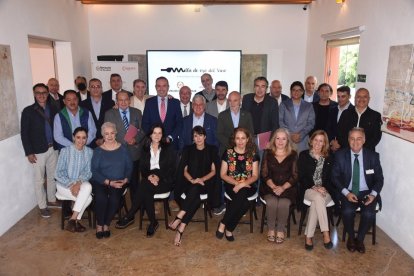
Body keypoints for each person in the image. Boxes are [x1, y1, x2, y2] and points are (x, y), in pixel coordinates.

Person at [116, 124, 177, 237]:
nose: (157, 135)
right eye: (154, 133)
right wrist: (149, 176)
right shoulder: (144, 148)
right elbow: (143, 168)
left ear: (162, 135)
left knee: (144, 187)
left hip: (165, 180)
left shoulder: (168, 148)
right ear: (150, 134)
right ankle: (153, 223)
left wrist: (158, 176)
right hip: (149, 179)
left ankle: (130, 215)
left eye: (159, 133)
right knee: (146, 189)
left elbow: (172, 169)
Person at [332, 127, 384, 254]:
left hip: (367, 192)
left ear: (364, 140)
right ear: (348, 140)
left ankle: (359, 239)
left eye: (359, 139)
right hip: (348, 191)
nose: (355, 142)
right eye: (352, 139)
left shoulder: (372, 156)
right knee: (347, 211)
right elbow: (335, 177)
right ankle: (351, 237)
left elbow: (379, 178)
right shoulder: (340, 155)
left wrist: (373, 195)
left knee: (369, 214)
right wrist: (346, 193)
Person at [169, 126, 218, 246]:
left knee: (195, 190)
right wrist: (192, 180)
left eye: (200, 135)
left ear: (205, 136)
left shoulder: (212, 149)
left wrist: (201, 179)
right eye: (195, 136)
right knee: (195, 195)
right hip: (189, 182)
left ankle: (180, 216)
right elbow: (184, 170)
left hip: (207, 182)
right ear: (193, 138)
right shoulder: (188, 149)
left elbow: (213, 171)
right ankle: (181, 227)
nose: (198, 138)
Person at [21, 83, 59, 218]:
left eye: (44, 92)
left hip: (53, 148)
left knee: (52, 176)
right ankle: (42, 206)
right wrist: (29, 152)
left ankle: (52, 199)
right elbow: (24, 133)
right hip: (38, 151)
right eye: (38, 92)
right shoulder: (28, 111)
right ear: (34, 94)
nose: (41, 95)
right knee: (39, 180)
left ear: (48, 94)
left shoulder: (53, 108)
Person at [216, 127, 259, 241]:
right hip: (231, 185)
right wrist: (237, 183)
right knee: (244, 202)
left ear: (248, 139)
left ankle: (224, 223)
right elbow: (223, 174)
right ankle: (229, 229)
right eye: (238, 138)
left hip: (249, 185)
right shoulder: (228, 153)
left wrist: (242, 184)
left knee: (243, 192)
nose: (240, 141)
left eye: (243, 138)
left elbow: (255, 176)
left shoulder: (253, 153)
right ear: (234, 139)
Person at [91, 122, 132, 239]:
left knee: (114, 199)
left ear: (116, 133)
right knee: (101, 198)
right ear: (103, 136)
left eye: (112, 133)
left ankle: (106, 224)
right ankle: (99, 224)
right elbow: (94, 170)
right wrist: (108, 182)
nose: (109, 136)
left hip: (118, 181)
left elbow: (129, 167)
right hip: (101, 181)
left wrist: (126, 179)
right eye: (106, 134)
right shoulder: (98, 151)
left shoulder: (123, 149)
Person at [105, 91, 145, 204]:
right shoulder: (109, 114)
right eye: (120, 100)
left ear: (129, 100)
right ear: (117, 101)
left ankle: (135, 206)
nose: (123, 102)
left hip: (134, 152)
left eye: (126, 99)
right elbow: (106, 134)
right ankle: (118, 206)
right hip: (117, 153)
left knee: (134, 182)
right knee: (119, 182)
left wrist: (136, 139)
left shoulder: (137, 112)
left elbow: (142, 130)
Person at [297, 130, 334, 250]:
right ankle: (326, 233)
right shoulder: (303, 155)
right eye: (316, 140)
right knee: (317, 197)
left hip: (325, 192)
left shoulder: (330, 157)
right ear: (311, 141)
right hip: (309, 190)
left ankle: (309, 236)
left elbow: (332, 178)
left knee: (316, 201)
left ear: (325, 143)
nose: (318, 143)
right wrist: (314, 186)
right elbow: (301, 177)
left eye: (321, 141)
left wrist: (324, 187)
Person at [260, 128, 298, 244]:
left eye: (283, 138)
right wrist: (274, 187)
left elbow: (295, 175)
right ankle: (271, 229)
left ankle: (281, 229)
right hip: (269, 187)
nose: (280, 141)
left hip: (288, 188)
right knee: (272, 202)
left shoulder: (293, 154)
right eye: (278, 138)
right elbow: (264, 173)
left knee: (283, 203)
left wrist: (282, 188)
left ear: (288, 141)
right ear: (274, 140)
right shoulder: (267, 152)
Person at [55, 127, 93, 232]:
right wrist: (72, 184)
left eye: (84, 138)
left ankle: (72, 220)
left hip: (81, 183)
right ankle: (75, 221)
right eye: (78, 137)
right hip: (64, 185)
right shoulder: (65, 151)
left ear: (87, 139)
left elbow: (88, 172)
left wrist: (79, 183)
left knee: (88, 186)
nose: (81, 141)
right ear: (73, 138)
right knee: (88, 198)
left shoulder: (90, 152)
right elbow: (58, 173)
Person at [142, 76, 183, 149]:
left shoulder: (175, 102)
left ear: (168, 87)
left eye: (164, 86)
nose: (161, 89)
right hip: (153, 144)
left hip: (171, 145)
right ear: (155, 87)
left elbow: (179, 123)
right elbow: (145, 123)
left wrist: (170, 137)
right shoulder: (149, 102)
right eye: (159, 86)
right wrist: (154, 137)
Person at [279, 81, 315, 153]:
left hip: (303, 141)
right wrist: (290, 134)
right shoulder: (284, 104)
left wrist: (301, 135)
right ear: (291, 92)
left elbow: (311, 123)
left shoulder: (309, 106)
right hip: (287, 139)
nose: (296, 92)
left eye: (299, 90)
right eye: (294, 90)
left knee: (302, 163)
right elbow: (280, 121)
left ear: (302, 92)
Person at [80, 78, 115, 148]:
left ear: (101, 88)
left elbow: (112, 123)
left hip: (107, 140)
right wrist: (94, 139)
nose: (95, 89)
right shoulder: (82, 105)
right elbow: (82, 124)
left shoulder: (110, 103)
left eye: (98, 86)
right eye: (93, 87)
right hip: (89, 141)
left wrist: (104, 138)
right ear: (89, 88)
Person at [217, 91, 254, 156]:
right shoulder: (222, 115)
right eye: (230, 101)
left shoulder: (247, 115)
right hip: (226, 149)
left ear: (240, 100)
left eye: (235, 100)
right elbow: (219, 134)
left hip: (244, 149)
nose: (232, 103)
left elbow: (250, 132)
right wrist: (232, 145)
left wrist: (242, 145)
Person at [327, 85, 354, 153]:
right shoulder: (333, 109)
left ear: (349, 96)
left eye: (343, 96)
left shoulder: (354, 111)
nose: (340, 99)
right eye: (338, 96)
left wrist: (339, 145)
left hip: (346, 149)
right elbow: (328, 128)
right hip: (331, 147)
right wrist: (332, 141)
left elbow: (351, 132)